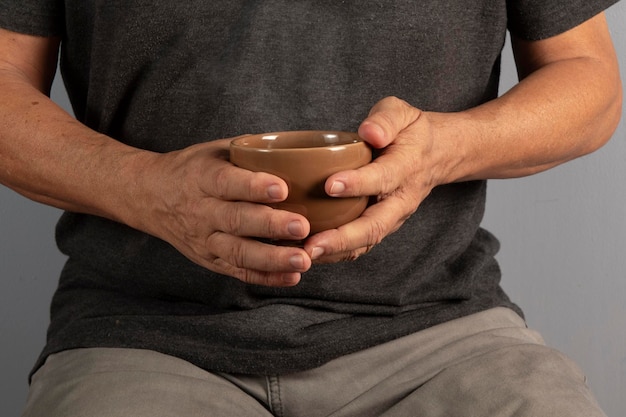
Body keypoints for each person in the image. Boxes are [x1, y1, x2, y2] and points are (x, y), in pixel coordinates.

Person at [0, 1, 622, 416]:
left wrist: (445, 150)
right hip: (141, 335)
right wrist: (146, 187)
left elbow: (588, 77)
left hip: (440, 330)